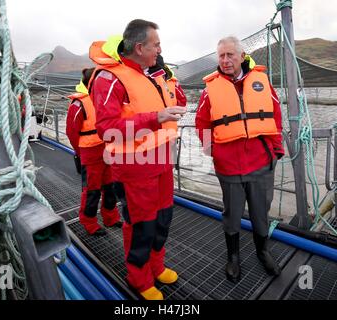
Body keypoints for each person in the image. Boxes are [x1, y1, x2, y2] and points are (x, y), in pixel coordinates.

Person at [89, 19, 186, 300]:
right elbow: (107, 129)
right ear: (140, 46)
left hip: (161, 162)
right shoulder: (110, 78)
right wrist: (156, 117)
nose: (159, 49)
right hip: (135, 168)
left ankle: (156, 266)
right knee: (142, 225)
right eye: (155, 44)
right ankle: (139, 278)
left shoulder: (146, 76)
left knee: (163, 219)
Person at [195, 36, 284, 282]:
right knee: (232, 215)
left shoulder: (262, 82)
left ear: (242, 56)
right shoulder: (209, 90)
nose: (225, 60)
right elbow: (202, 124)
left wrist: (276, 151)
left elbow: (276, 117)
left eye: (230, 55)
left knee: (260, 214)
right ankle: (233, 257)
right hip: (229, 167)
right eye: (221, 56)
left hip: (261, 164)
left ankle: (263, 251)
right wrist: (211, 151)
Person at [66, 68, 121, 236]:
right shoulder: (78, 104)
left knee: (110, 188)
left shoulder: (104, 98)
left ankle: (111, 218)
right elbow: (71, 132)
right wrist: (80, 152)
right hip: (90, 154)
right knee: (92, 191)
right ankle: (89, 223)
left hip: (108, 151)